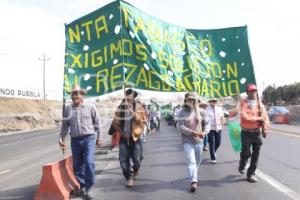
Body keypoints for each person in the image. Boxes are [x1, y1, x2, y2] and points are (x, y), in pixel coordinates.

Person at [59, 84, 102, 200]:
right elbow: (65, 126)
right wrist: (61, 138)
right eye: (72, 94)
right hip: (75, 140)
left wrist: (100, 137)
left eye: (76, 93)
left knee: (89, 162)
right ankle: (83, 186)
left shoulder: (90, 106)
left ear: (81, 94)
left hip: (89, 138)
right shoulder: (68, 109)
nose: (74, 96)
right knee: (77, 166)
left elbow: (97, 122)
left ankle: (89, 187)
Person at [177, 92, 210, 192]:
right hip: (187, 140)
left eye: (193, 99)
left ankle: (193, 175)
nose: (191, 101)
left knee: (197, 161)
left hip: (199, 140)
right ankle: (193, 181)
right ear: (186, 100)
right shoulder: (182, 112)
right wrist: (193, 132)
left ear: (195, 100)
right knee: (191, 161)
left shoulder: (201, 112)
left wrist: (205, 132)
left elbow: (207, 123)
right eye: (189, 99)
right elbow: (181, 126)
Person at [113, 89, 146, 188]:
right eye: (127, 94)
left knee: (136, 159)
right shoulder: (120, 108)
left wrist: (132, 112)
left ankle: (136, 168)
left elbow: (141, 120)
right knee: (123, 159)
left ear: (134, 96)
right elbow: (115, 123)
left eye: (131, 95)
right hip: (124, 138)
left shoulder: (138, 107)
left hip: (135, 137)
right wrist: (122, 133)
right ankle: (129, 177)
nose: (129, 97)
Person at [238, 84, 270, 183]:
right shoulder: (242, 103)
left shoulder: (260, 104)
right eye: (251, 91)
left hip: (257, 133)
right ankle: (242, 163)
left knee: (256, 155)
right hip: (246, 133)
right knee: (246, 153)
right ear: (247, 92)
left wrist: (265, 129)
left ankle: (251, 174)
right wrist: (258, 118)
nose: (253, 92)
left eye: (255, 90)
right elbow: (245, 117)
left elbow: (265, 118)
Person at [206, 98, 225, 164]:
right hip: (210, 128)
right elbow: (205, 119)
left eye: (215, 101)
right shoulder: (207, 109)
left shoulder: (219, 109)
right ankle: (213, 159)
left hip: (218, 128)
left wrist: (223, 121)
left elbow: (222, 117)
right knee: (212, 143)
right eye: (213, 101)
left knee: (218, 142)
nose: (214, 102)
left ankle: (213, 151)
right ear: (210, 102)